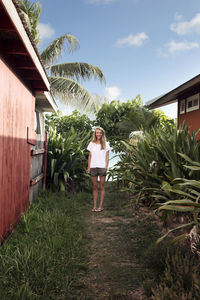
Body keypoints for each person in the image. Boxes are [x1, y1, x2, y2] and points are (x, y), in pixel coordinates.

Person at [87, 127, 110, 212]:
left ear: (102, 134)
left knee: (102, 186)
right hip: (93, 167)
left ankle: (101, 206)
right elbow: (90, 156)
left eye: (100, 132)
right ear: (95, 134)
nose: (98, 134)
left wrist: (106, 167)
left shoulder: (106, 144)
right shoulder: (91, 144)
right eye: (97, 133)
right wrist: (89, 167)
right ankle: (94, 206)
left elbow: (107, 156)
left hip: (102, 167)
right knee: (95, 187)